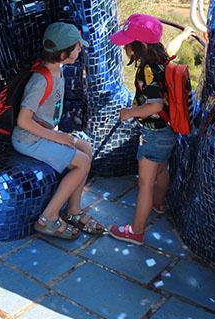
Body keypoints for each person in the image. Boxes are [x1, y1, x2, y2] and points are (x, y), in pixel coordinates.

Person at [12, 22, 104, 240]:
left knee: (85, 148)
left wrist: (59, 135)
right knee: (81, 162)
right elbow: (23, 121)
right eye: (77, 47)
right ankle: (48, 218)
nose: (80, 50)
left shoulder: (57, 70)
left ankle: (73, 210)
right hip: (28, 140)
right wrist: (58, 137)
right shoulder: (41, 80)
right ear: (64, 54)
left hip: (42, 134)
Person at [107, 14, 193, 245]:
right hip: (169, 130)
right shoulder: (163, 59)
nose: (126, 48)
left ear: (141, 46)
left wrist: (129, 113)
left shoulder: (148, 70)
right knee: (162, 170)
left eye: (129, 44)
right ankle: (158, 204)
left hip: (154, 134)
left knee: (145, 182)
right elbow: (173, 45)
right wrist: (183, 36)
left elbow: (155, 105)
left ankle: (135, 231)